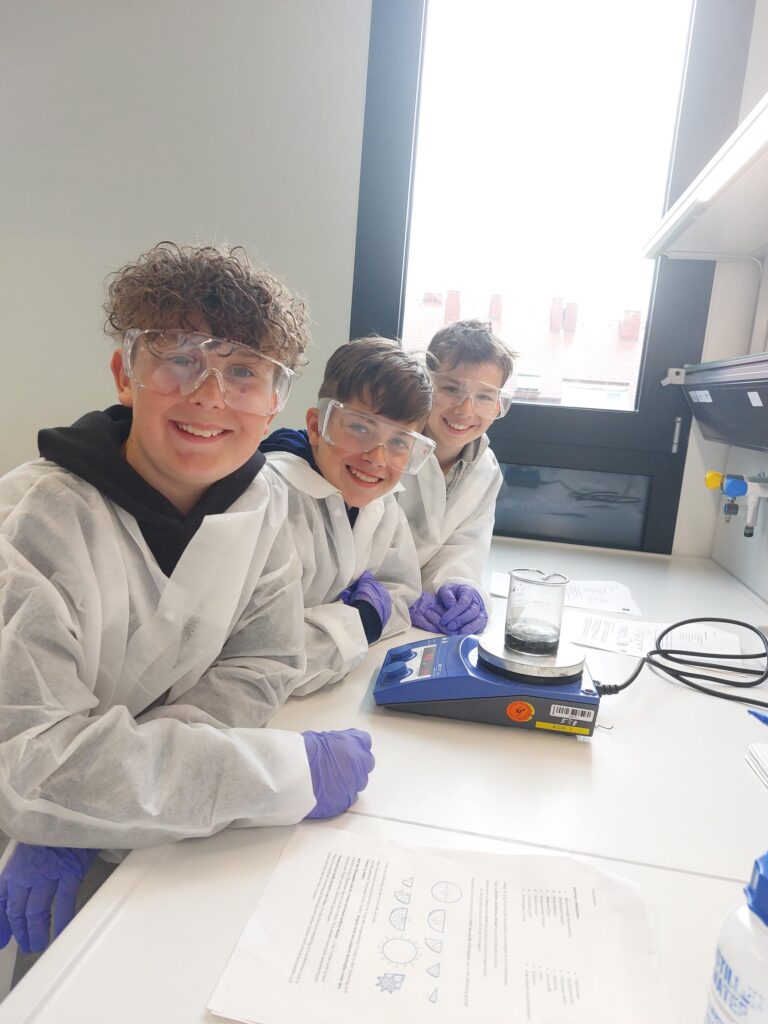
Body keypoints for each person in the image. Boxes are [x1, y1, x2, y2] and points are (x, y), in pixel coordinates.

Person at [0, 242, 374, 958]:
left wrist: (101, 793)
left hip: (146, 835)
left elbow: (260, 665)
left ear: (275, 401)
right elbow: (34, 766)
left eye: (244, 371)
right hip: (24, 846)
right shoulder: (33, 522)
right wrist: (281, 775)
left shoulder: (262, 504)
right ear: (125, 374)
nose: (209, 395)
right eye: (178, 358)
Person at [259, 338, 433, 693]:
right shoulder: (271, 499)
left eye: (400, 442)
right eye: (360, 427)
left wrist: (355, 620)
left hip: (336, 695)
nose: (377, 458)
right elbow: (263, 656)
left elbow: (400, 594)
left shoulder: (382, 502)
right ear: (315, 426)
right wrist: (362, 621)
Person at [399, 319, 515, 636]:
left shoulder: (486, 469)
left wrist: (460, 588)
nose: (465, 410)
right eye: (451, 389)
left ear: (499, 405)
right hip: (365, 608)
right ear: (426, 384)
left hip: (420, 625)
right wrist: (396, 595)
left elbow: (464, 546)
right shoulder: (390, 446)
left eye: (485, 397)